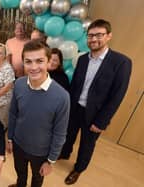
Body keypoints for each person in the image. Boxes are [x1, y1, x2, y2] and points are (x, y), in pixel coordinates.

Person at [59, 19, 132, 185]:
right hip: (75, 107)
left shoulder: (121, 62)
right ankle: (64, 153)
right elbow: (75, 85)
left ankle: (79, 169)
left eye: (99, 35)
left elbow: (117, 96)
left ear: (108, 36)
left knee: (87, 144)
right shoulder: (83, 59)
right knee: (68, 134)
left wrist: (102, 121)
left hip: (95, 114)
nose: (93, 39)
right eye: (90, 35)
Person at [7, 40, 70, 187]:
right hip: (18, 144)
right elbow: (13, 113)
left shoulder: (62, 97)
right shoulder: (19, 84)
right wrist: (10, 138)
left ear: (48, 62)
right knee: (20, 173)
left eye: (39, 61)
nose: (34, 67)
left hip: (41, 152)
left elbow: (60, 133)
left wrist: (51, 161)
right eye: (28, 61)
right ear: (23, 63)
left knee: (37, 179)